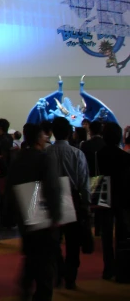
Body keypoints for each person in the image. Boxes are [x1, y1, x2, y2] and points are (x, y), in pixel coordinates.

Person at [7, 124, 62, 301]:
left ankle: (25, 289)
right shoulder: (44, 158)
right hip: (43, 214)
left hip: (24, 214)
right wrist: (56, 215)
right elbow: (52, 188)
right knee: (45, 261)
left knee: (30, 255)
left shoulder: (18, 158)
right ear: (39, 138)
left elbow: (10, 187)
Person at [47, 116, 90, 289]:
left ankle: (58, 272)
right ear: (70, 133)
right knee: (73, 242)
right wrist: (86, 205)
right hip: (72, 198)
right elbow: (84, 183)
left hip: (51, 198)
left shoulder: (46, 153)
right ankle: (70, 278)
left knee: (53, 240)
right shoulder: (77, 153)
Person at [96, 122, 130, 282]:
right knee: (123, 234)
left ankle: (108, 268)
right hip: (122, 197)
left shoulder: (99, 154)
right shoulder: (124, 156)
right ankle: (122, 269)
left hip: (104, 195)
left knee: (106, 234)